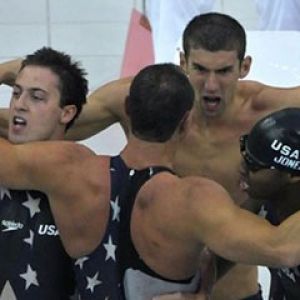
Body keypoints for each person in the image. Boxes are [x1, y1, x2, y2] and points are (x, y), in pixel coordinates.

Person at [2, 12, 300, 299]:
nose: (211, 85)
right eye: (199, 69)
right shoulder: (195, 195)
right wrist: (26, 89)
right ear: (182, 61)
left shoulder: (272, 110)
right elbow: (56, 120)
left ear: (243, 66)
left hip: (236, 293)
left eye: (223, 71)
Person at [0, 47, 88, 299]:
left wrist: (6, 70)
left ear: (67, 113)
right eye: (15, 93)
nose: (19, 105)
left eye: (36, 97)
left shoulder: (79, 171)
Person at [239, 107, 300, 299]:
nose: (241, 168)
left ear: (291, 174)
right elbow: (218, 255)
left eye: (254, 165)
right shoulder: (263, 202)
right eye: (244, 154)